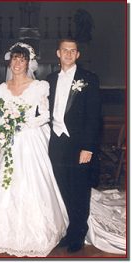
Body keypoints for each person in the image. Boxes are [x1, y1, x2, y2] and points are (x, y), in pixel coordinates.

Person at [0, 42, 69, 257]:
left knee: (32, 182)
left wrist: (24, 124)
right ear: (9, 62)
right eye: (14, 59)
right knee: (4, 182)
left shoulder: (39, 87)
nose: (18, 63)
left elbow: (45, 115)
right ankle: (0, 232)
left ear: (29, 63)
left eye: (22, 59)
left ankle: (37, 232)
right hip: (7, 141)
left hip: (31, 138)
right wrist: (1, 132)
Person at [46, 38, 101, 253]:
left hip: (79, 145)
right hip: (56, 142)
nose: (68, 54)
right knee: (62, 189)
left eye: (73, 51)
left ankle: (78, 233)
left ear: (78, 55)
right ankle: (69, 231)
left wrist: (88, 147)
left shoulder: (89, 79)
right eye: (64, 50)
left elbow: (94, 117)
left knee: (79, 190)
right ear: (58, 53)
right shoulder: (49, 79)